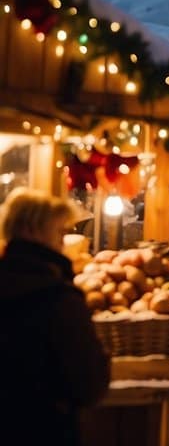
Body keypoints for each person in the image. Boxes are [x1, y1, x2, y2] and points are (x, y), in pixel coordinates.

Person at [0, 189, 109, 446]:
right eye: (59, 231)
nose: (63, 241)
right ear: (33, 229)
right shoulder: (58, 299)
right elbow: (89, 386)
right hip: (44, 430)